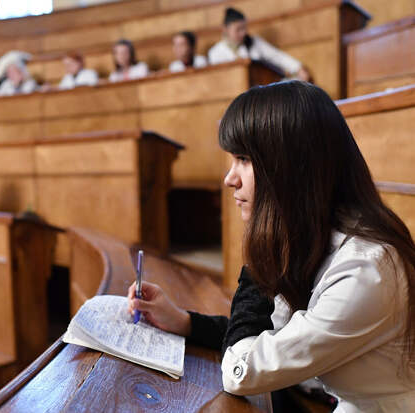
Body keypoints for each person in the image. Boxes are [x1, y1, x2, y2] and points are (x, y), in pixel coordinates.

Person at [128, 81, 415, 412]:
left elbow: (243, 372)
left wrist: (257, 260)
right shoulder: (317, 235)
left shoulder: (365, 270)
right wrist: (184, 322)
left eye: (244, 159)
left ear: (292, 167)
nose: (230, 179)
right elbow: (277, 334)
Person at [208, 8, 310, 81]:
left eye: (244, 28)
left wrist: (298, 68)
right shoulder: (215, 53)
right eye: (238, 29)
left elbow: (277, 56)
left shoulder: (254, 42)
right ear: (225, 29)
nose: (243, 33)